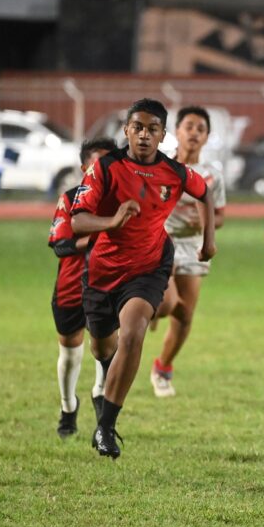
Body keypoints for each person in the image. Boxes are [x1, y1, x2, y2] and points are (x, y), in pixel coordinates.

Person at [71, 98, 217, 459]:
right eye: (137, 127)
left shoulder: (175, 172)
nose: (144, 135)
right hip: (103, 270)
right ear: (126, 130)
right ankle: (109, 376)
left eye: (153, 129)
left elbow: (205, 192)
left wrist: (208, 241)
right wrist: (112, 221)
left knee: (134, 332)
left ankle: (106, 427)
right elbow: (77, 221)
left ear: (163, 135)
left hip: (148, 267)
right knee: (102, 348)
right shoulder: (106, 168)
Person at [148, 106, 226, 397]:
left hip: (193, 245)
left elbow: (220, 216)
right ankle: (148, 309)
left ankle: (162, 368)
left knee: (184, 315)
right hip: (160, 241)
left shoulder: (212, 175)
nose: (194, 133)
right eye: (189, 127)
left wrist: (205, 221)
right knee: (167, 303)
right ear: (177, 132)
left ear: (206, 137)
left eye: (200, 129)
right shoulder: (160, 166)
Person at [48, 137, 118, 438]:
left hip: (108, 286)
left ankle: (100, 394)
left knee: (107, 346)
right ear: (83, 168)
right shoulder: (70, 199)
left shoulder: (122, 200)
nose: (103, 170)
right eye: (97, 164)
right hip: (71, 287)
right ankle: (68, 406)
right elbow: (61, 245)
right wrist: (97, 236)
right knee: (70, 353)